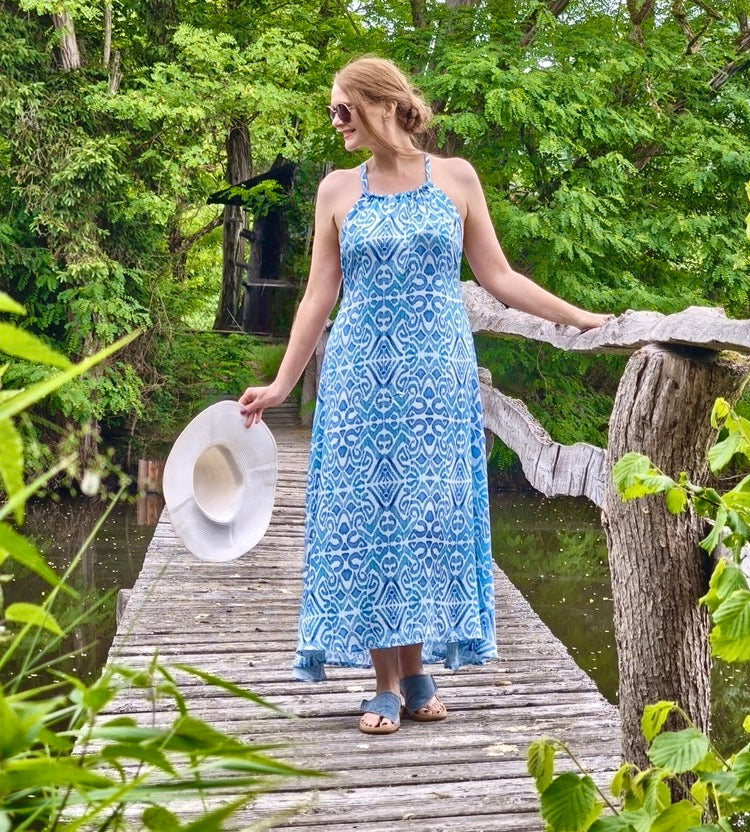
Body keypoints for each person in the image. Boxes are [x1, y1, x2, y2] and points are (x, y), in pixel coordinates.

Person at [239, 56, 612, 735]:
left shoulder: (456, 177)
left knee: (423, 519)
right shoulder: (335, 190)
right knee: (371, 521)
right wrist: (283, 383)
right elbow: (319, 296)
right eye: (332, 111)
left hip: (437, 380)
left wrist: (581, 318)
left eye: (342, 108)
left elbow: (498, 276)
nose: (335, 121)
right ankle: (387, 681)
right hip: (359, 379)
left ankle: (415, 670)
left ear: (382, 103)